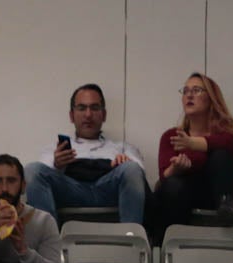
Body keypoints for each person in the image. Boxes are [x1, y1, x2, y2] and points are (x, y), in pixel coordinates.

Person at [24, 84, 149, 226]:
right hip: (69, 191)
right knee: (32, 169)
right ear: (71, 115)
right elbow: (37, 179)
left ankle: (130, 236)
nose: (88, 115)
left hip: (109, 191)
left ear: (104, 115)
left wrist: (125, 163)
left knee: (131, 168)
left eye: (94, 108)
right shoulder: (55, 149)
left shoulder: (122, 147)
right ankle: (47, 237)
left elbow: (138, 173)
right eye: (82, 108)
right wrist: (57, 166)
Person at [153, 72, 233, 237]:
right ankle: (171, 241)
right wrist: (176, 169)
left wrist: (192, 144)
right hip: (184, 200)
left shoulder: (230, 130)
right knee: (172, 185)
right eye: (185, 91)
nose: (189, 95)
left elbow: (229, 144)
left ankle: (225, 209)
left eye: (196, 90)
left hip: (219, 199)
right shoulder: (172, 136)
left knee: (221, 156)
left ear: (211, 98)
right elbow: (164, 176)